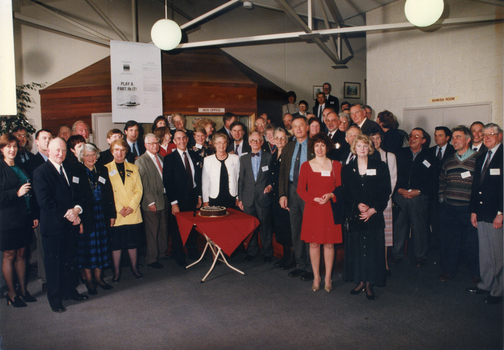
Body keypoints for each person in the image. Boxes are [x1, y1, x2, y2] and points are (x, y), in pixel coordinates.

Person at [33, 137, 87, 313]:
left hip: (70, 225)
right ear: (48, 151)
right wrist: (69, 214)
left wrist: (77, 210)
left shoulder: (70, 169)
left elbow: (80, 195)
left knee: (70, 261)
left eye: (63, 150)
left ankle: (70, 291)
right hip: (53, 227)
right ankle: (55, 299)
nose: (60, 154)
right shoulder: (40, 172)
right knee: (54, 265)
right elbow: (45, 202)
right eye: (57, 150)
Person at [342, 134, 391, 300]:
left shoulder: (381, 166)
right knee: (357, 249)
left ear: (369, 148)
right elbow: (346, 193)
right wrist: (357, 206)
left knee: (372, 250)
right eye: (359, 146)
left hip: (374, 215)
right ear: (354, 148)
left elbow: (386, 191)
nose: (362, 149)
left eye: (365, 146)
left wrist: (373, 209)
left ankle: (370, 283)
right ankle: (360, 281)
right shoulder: (347, 169)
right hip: (356, 215)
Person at [297, 132, 342, 292]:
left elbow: (340, 188)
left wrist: (331, 195)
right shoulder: (306, 166)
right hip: (313, 209)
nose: (320, 148)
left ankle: (328, 277)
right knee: (314, 244)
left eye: (323, 145)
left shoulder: (336, 165)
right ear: (312, 147)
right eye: (317, 145)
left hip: (329, 209)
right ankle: (316, 277)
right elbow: (300, 189)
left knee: (329, 244)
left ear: (327, 147)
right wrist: (311, 199)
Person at [437, 126, 479, 283]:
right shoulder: (448, 160)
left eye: (458, 137)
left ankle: (477, 272)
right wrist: (442, 198)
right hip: (449, 208)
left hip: (469, 209)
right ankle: (448, 271)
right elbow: (441, 181)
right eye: (453, 137)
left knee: (473, 243)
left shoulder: (478, 159)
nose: (454, 141)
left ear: (468, 139)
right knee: (449, 242)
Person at [0, 134, 38, 307]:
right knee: (9, 255)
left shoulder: (20, 166)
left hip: (24, 216)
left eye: (14, 146)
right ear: (1, 149)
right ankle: (12, 293)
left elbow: (30, 193)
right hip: (7, 219)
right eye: (8, 146)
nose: (12, 149)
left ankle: (23, 290)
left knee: (23, 254)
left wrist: (33, 215)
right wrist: (15, 194)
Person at [391, 128, 438, 267]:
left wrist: (419, 191)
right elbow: (393, 174)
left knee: (420, 227)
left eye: (416, 136)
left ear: (423, 141)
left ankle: (420, 256)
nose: (412, 138)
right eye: (411, 136)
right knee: (399, 225)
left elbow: (434, 181)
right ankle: (397, 254)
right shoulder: (400, 154)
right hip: (400, 195)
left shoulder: (430, 157)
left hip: (419, 197)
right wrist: (398, 189)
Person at [468, 123, 503, 304]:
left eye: (491, 134)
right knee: (486, 252)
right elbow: (476, 186)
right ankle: (486, 284)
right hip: (481, 212)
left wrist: (501, 213)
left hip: (496, 214)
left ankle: (498, 290)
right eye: (485, 134)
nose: (487, 137)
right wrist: (473, 210)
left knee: (498, 253)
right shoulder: (481, 157)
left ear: (500, 136)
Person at [278, 116, 315, 281]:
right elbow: (283, 173)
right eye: (295, 126)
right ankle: (300, 265)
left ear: (307, 127)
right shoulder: (289, 147)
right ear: (291, 129)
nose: (298, 129)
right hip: (292, 190)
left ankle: (311, 267)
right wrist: (282, 194)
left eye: (301, 125)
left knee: (309, 229)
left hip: (309, 192)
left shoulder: (315, 145)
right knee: (296, 229)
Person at [75, 143, 115, 295]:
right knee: (88, 250)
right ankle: (89, 281)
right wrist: (79, 220)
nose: (91, 158)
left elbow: (109, 194)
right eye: (87, 155)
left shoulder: (103, 170)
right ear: (82, 157)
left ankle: (99, 278)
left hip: (101, 214)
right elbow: (75, 197)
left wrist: (112, 215)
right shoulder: (77, 172)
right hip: (86, 215)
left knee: (101, 248)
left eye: (93, 155)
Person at [105, 139, 143, 282]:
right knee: (116, 246)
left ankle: (135, 268)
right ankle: (116, 271)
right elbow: (107, 193)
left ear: (126, 151)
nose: (119, 153)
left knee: (132, 243)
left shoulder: (134, 168)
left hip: (132, 212)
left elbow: (139, 190)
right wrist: (119, 208)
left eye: (122, 150)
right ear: (112, 151)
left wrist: (131, 207)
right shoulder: (106, 169)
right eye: (116, 150)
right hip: (117, 213)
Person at [163, 131, 202, 266]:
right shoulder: (169, 159)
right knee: (177, 229)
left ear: (187, 139)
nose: (181, 140)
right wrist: (174, 203)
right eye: (178, 138)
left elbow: (198, 178)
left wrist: (199, 196)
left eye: (184, 138)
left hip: (192, 196)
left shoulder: (195, 155)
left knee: (192, 227)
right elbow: (168, 183)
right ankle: (179, 256)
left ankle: (192, 253)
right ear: (174, 140)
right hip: (178, 200)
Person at [238, 132, 274, 263]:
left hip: (263, 197)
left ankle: (267, 252)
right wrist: (240, 199)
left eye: (258, 140)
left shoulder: (269, 157)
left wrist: (270, 186)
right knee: (250, 227)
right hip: (248, 198)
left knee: (265, 226)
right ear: (249, 142)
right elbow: (241, 180)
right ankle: (252, 251)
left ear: (262, 142)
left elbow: (273, 177)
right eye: (252, 140)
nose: (255, 143)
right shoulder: (243, 158)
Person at [136, 134, 168, 270]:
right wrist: (150, 202)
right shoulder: (141, 161)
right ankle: (151, 258)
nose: (155, 146)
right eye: (152, 144)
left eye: (157, 143)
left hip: (163, 198)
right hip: (151, 201)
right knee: (152, 231)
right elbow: (143, 184)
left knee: (163, 229)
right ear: (145, 145)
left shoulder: (161, 158)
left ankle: (162, 253)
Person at [369, 130, 397, 273]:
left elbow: (393, 179)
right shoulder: (365, 156)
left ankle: (384, 263)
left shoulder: (389, 156)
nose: (375, 141)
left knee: (385, 234)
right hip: (369, 203)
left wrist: (384, 198)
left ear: (381, 140)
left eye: (377, 138)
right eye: (372, 138)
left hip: (385, 202)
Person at [271, 128, 294, 269]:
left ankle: (291, 259)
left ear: (287, 139)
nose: (280, 141)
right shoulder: (274, 154)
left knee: (288, 228)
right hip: (275, 197)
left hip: (286, 197)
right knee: (280, 228)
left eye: (282, 138)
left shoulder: (289, 154)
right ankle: (285, 256)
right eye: (277, 138)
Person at [202, 133, 240, 209]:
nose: (221, 145)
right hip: (214, 197)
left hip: (231, 196)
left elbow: (238, 178)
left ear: (227, 144)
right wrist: (205, 200)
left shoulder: (235, 158)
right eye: (218, 142)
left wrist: (238, 197)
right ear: (214, 144)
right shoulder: (208, 160)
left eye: (224, 142)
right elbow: (205, 182)